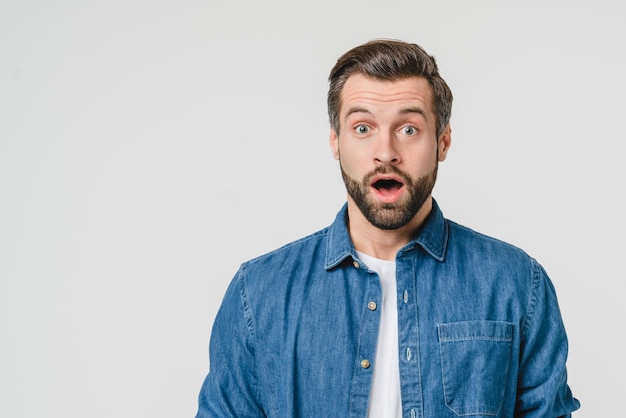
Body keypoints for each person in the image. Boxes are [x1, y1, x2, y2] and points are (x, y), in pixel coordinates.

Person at [195, 39, 580, 417]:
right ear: (336, 142)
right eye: (363, 128)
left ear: (442, 142)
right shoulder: (259, 292)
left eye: (408, 129)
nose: (386, 152)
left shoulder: (515, 283)